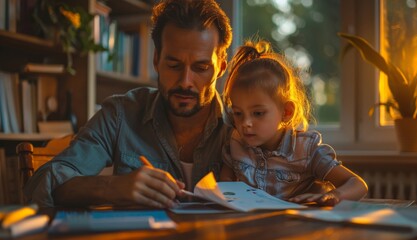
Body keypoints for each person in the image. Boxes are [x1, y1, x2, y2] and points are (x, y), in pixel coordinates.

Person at [24, 0, 232, 208]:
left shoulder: (242, 125)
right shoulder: (121, 113)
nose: (186, 81)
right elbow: (43, 183)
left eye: (201, 67)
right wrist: (111, 187)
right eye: (174, 65)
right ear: (156, 60)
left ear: (221, 66)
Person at [220, 40, 368, 206]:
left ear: (286, 112)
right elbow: (225, 188)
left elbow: (358, 185)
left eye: (258, 113)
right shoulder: (236, 143)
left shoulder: (306, 150)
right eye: (238, 113)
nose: (245, 123)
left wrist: (333, 195)